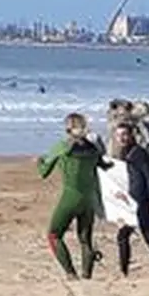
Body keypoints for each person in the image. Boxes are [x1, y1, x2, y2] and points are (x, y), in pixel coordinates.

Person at [36, 113, 111, 279]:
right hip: (89, 199)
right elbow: (105, 166)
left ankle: (70, 273)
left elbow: (43, 173)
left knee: (54, 235)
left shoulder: (63, 147)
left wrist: (39, 162)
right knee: (85, 239)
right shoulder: (93, 149)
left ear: (67, 128)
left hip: (70, 197)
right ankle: (86, 275)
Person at [112, 122, 149, 276]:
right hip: (130, 201)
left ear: (131, 135)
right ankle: (124, 271)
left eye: (124, 134)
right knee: (123, 236)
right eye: (118, 135)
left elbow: (148, 176)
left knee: (148, 235)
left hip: (141, 201)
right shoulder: (125, 152)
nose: (121, 138)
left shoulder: (138, 153)